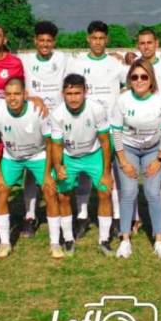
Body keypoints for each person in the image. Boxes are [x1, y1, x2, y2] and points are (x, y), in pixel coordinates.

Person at [65, 21, 126, 239]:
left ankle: (117, 217)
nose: (98, 42)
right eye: (94, 38)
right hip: (84, 126)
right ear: (88, 39)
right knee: (84, 174)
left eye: (102, 38)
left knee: (112, 173)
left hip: (110, 127)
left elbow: (131, 83)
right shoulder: (76, 63)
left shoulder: (115, 64)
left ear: (106, 40)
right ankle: (82, 216)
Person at [111, 60, 161, 260]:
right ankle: (125, 240)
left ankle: (159, 240)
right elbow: (116, 131)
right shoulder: (122, 100)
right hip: (128, 149)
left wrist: (159, 159)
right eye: (134, 77)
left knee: (152, 192)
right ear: (129, 79)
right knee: (128, 192)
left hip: (153, 151)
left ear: (151, 79)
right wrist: (122, 161)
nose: (139, 81)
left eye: (144, 77)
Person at [0, 78, 56, 258]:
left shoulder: (38, 111)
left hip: (38, 155)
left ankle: (55, 242)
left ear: (25, 95)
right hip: (12, 158)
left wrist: (48, 173)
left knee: (50, 191)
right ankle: (5, 243)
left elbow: (50, 144)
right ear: (4, 96)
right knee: (1, 192)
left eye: (17, 94)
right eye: (8, 94)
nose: (13, 98)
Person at [51, 73, 115, 257]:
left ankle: (104, 240)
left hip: (93, 154)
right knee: (63, 196)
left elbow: (104, 141)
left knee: (104, 192)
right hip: (69, 157)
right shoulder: (57, 114)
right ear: (63, 93)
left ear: (85, 92)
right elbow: (56, 144)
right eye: (69, 94)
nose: (73, 98)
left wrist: (106, 171)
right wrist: (58, 166)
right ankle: (69, 238)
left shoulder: (97, 109)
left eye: (77, 93)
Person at [18, 21, 69, 237]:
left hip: (58, 123)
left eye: (49, 40)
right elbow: (17, 88)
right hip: (34, 122)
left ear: (54, 42)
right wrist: (32, 97)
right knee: (31, 171)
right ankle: (30, 215)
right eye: (41, 40)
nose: (45, 44)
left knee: (60, 167)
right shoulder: (26, 61)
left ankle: (62, 211)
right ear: (35, 41)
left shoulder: (64, 60)